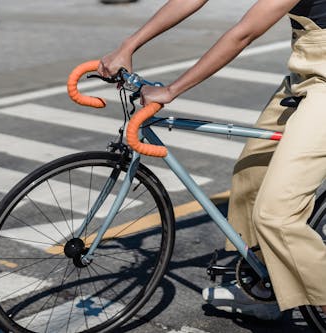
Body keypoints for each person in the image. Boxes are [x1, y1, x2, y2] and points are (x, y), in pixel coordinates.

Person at [98, 0, 326, 320]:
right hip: (308, 69)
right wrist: (129, 44)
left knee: (276, 214)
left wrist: (172, 90)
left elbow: (243, 33)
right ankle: (259, 286)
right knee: (250, 176)